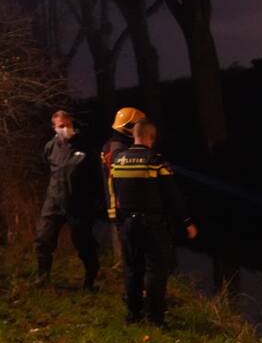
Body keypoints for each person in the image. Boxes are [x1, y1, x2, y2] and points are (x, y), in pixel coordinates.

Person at [111, 119, 197, 325]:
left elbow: (114, 193)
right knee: (155, 271)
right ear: (151, 138)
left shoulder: (118, 160)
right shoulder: (156, 161)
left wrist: (118, 221)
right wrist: (187, 222)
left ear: (134, 135)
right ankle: (155, 317)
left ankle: (133, 315)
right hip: (152, 225)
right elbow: (173, 196)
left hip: (126, 225)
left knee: (132, 270)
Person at [33, 110, 101, 289]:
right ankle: (43, 276)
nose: (65, 129)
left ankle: (90, 279)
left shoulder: (84, 147)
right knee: (43, 238)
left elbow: (96, 175)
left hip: (78, 204)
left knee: (83, 242)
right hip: (54, 201)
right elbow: (47, 167)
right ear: (54, 127)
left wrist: (95, 202)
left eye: (67, 125)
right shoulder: (50, 147)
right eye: (61, 126)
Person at [100, 107, 147, 265]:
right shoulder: (118, 150)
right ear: (129, 127)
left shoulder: (112, 146)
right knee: (131, 254)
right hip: (123, 208)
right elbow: (115, 181)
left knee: (129, 251)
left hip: (121, 207)